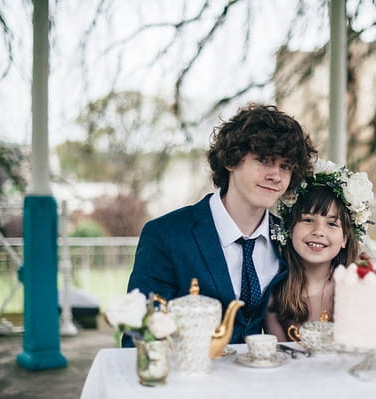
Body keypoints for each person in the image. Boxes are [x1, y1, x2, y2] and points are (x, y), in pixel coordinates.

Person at [124, 103, 316, 346]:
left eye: (285, 166)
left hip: (266, 378)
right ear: (231, 160)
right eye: (264, 160)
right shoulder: (165, 235)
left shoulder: (289, 237)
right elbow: (139, 336)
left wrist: (362, 264)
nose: (276, 176)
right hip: (190, 378)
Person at [264, 159, 375, 341]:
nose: (318, 232)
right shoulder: (275, 294)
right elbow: (281, 356)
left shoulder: (356, 286)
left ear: (345, 238)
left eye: (332, 224)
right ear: (290, 228)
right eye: (308, 220)